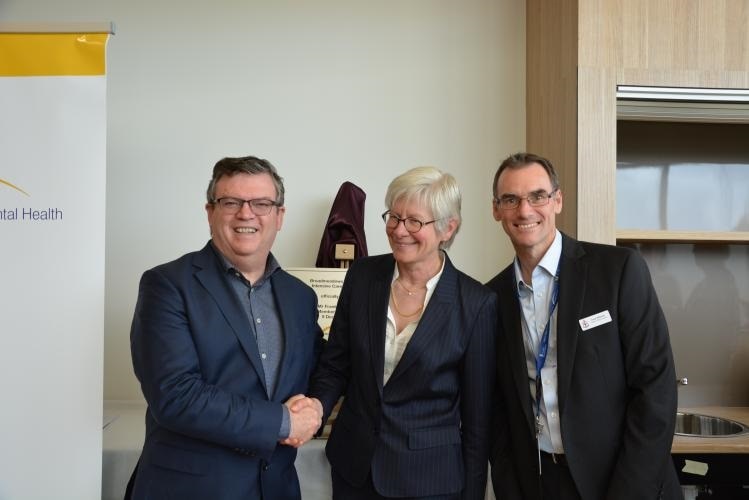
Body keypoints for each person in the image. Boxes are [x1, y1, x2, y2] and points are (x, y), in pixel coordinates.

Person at [292, 166, 497, 500]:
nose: (399, 230)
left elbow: (477, 422)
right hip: (354, 470)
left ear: (448, 228)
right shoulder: (362, 276)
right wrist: (316, 407)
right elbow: (335, 364)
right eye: (393, 217)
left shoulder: (476, 304)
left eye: (414, 221)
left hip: (429, 481)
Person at [487, 152, 682, 500]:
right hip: (541, 483)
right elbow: (499, 411)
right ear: (496, 209)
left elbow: (656, 389)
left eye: (537, 196)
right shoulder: (491, 298)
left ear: (557, 200)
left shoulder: (618, 271)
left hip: (622, 481)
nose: (525, 210)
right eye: (511, 199)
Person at [129, 156, 324, 500]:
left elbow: (322, 367)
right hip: (191, 489)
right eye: (231, 202)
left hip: (275, 488)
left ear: (279, 216)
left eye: (262, 203)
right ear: (210, 212)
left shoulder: (301, 297)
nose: (246, 214)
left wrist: (317, 407)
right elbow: (176, 395)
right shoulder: (167, 285)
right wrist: (283, 422)